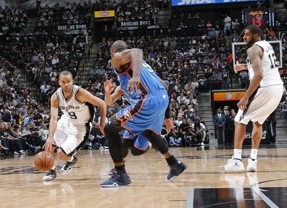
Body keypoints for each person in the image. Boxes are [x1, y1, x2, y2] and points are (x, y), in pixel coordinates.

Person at [100, 40, 187, 187]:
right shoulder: (140, 70)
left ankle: (120, 174)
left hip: (148, 102)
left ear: (113, 52)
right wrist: (107, 92)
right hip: (161, 100)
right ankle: (174, 163)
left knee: (109, 128)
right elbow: (109, 102)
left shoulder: (118, 58)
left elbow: (137, 51)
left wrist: (135, 76)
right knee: (141, 138)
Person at [220, 25, 284, 173]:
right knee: (258, 121)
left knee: (239, 120)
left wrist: (245, 97)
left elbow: (259, 75)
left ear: (255, 36)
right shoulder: (266, 45)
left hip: (265, 87)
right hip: (278, 88)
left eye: (247, 35)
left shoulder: (252, 49)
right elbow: (265, 65)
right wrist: (244, 66)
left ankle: (237, 160)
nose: (244, 37)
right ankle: (253, 161)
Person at [42, 71, 107, 182]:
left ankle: (71, 160)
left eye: (68, 81)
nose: (66, 84)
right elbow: (53, 118)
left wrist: (102, 124)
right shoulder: (55, 97)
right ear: (59, 82)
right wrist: (50, 137)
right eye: (63, 82)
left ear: (72, 81)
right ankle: (51, 171)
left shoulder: (80, 93)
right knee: (49, 146)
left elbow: (102, 104)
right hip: (66, 121)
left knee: (61, 154)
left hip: (80, 127)